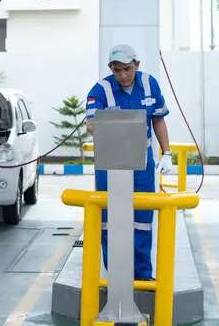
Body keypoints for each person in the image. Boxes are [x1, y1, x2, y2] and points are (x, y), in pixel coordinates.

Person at [85, 44, 172, 280]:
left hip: (142, 162)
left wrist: (167, 153)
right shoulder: (101, 89)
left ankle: (143, 273)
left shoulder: (149, 83)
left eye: (127, 69)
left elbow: (158, 120)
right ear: (110, 69)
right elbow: (91, 124)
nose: (122, 75)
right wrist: (98, 124)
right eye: (116, 70)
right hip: (110, 163)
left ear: (137, 65)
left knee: (143, 218)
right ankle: (116, 275)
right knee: (108, 218)